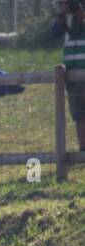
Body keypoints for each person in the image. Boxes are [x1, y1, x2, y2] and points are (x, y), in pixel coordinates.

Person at [53, 0, 85, 150]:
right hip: (71, 74)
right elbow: (54, 33)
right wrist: (61, 15)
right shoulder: (66, 19)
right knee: (79, 114)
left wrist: (81, 14)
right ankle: (83, 150)